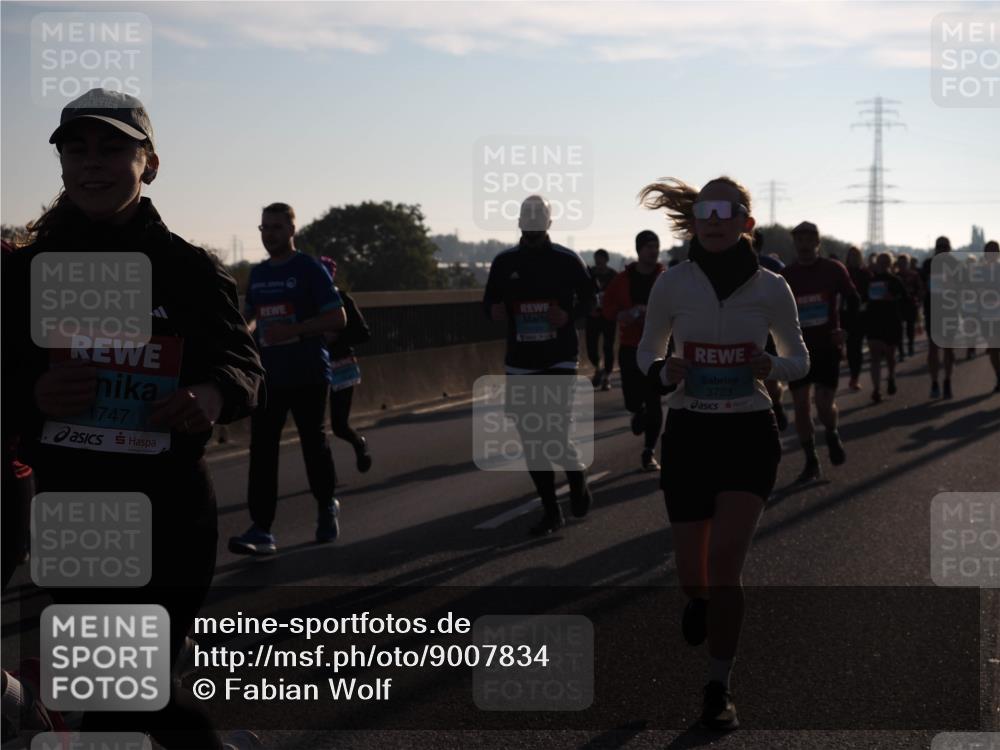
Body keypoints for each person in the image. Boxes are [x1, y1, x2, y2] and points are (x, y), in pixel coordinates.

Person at [3, 88, 264, 749]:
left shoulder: (189, 270)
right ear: (61, 164)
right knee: (126, 690)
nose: (92, 162)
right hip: (76, 517)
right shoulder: (25, 273)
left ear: (149, 163)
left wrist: (212, 393)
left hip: (173, 513)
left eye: (113, 147)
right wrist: (33, 394)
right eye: (76, 148)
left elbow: (244, 364)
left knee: (126, 691)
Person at [637, 176, 808, 731]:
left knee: (725, 566)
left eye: (725, 210)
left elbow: (798, 359)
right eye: (704, 210)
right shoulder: (671, 283)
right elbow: (646, 351)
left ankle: (718, 688)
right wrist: (665, 371)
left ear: (745, 224)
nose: (713, 219)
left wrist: (771, 366)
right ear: (695, 220)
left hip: (747, 434)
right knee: (694, 577)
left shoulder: (770, 288)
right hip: (688, 434)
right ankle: (698, 600)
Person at [229, 203, 347, 556]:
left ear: (292, 231)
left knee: (314, 443)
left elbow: (337, 318)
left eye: (277, 228)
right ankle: (261, 529)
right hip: (269, 376)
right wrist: (242, 330)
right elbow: (251, 315)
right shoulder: (259, 273)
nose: (269, 234)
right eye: (264, 228)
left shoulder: (308, 269)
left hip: (309, 372)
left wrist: (293, 330)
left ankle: (326, 505)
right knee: (262, 451)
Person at [482, 195, 595, 536]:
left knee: (555, 432)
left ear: (548, 222)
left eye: (538, 217)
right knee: (532, 438)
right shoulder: (504, 262)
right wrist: (493, 311)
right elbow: (488, 302)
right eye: (526, 217)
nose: (531, 222)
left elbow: (591, 299)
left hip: (559, 357)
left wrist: (569, 316)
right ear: (519, 222)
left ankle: (575, 477)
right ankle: (551, 512)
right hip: (521, 363)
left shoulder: (566, 259)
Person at [780, 222, 859, 483]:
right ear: (794, 243)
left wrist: (845, 329)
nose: (803, 244)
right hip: (797, 350)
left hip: (827, 347)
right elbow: (774, 311)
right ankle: (811, 459)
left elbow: (854, 300)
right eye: (799, 239)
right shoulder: (787, 275)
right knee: (801, 406)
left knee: (824, 405)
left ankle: (832, 432)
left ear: (817, 242)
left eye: (808, 239)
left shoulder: (833, 270)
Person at [601, 230, 666, 470]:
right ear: (639, 249)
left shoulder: (665, 278)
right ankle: (636, 411)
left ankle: (648, 452)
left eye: (656, 246)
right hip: (630, 348)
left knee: (655, 399)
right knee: (632, 400)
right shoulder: (622, 279)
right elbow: (606, 306)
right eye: (649, 246)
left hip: (657, 347)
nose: (653, 250)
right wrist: (622, 314)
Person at [319, 256, 373, 473]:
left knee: (339, 426)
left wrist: (337, 337)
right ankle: (325, 475)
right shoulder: (306, 302)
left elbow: (363, 333)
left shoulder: (343, 299)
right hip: (315, 368)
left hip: (342, 368)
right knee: (315, 428)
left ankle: (359, 444)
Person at [752, 229, 789, 430]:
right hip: (742, 330)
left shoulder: (773, 266)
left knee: (770, 379)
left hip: (769, 329)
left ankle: (776, 404)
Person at [865, 253, 907, 403]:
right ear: (876, 263)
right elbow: (863, 299)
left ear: (890, 264)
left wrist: (893, 298)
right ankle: (876, 390)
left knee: (890, 355)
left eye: (885, 262)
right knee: (875, 357)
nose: (882, 264)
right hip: (874, 321)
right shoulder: (870, 280)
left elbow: (905, 300)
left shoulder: (895, 281)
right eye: (880, 262)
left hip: (891, 321)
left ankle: (891, 376)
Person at [921, 236, 955, 399]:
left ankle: (947, 380)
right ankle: (934, 382)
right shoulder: (928, 264)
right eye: (939, 247)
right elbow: (922, 286)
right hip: (932, 311)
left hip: (950, 311)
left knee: (948, 349)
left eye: (945, 247)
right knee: (933, 349)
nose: (942, 249)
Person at [585, 248, 618, 390]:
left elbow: (619, 296)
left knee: (608, 346)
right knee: (591, 346)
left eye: (601, 260)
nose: (598, 263)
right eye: (596, 260)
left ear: (606, 260)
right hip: (592, 316)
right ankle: (598, 367)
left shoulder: (613, 276)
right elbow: (582, 294)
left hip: (608, 316)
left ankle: (607, 376)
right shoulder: (589, 274)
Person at [843, 246, 871, 391]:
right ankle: (852, 371)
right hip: (845, 316)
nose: (853, 258)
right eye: (851, 255)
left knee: (857, 347)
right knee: (848, 348)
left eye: (856, 255)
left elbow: (870, 294)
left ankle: (855, 378)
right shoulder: (843, 272)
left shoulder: (865, 273)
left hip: (860, 317)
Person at [893, 253, 923, 361]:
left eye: (904, 263)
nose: (902, 265)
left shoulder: (914, 275)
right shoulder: (895, 276)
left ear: (908, 263)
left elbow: (919, 289)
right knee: (898, 329)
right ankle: (901, 351)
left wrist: (918, 300)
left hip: (911, 304)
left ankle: (910, 345)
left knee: (910, 327)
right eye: (900, 263)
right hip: (899, 305)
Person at [984, 240, 1000, 393]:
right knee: (994, 348)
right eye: (989, 250)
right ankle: (998, 376)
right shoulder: (979, 271)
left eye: (994, 250)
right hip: (987, 315)